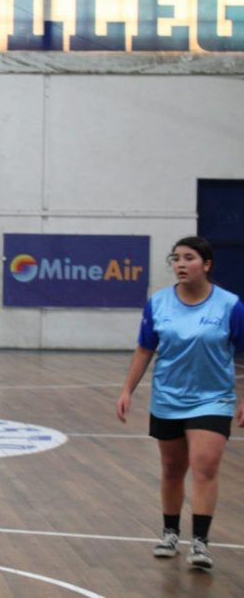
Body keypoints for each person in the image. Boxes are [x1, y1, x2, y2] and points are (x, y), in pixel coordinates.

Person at [116, 236, 244, 570]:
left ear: (207, 264)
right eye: (176, 258)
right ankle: (170, 532)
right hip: (168, 398)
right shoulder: (158, 304)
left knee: (205, 466)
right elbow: (145, 349)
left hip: (213, 400)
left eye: (189, 258)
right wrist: (127, 390)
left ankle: (200, 542)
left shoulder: (230, 305)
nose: (181, 264)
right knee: (173, 469)